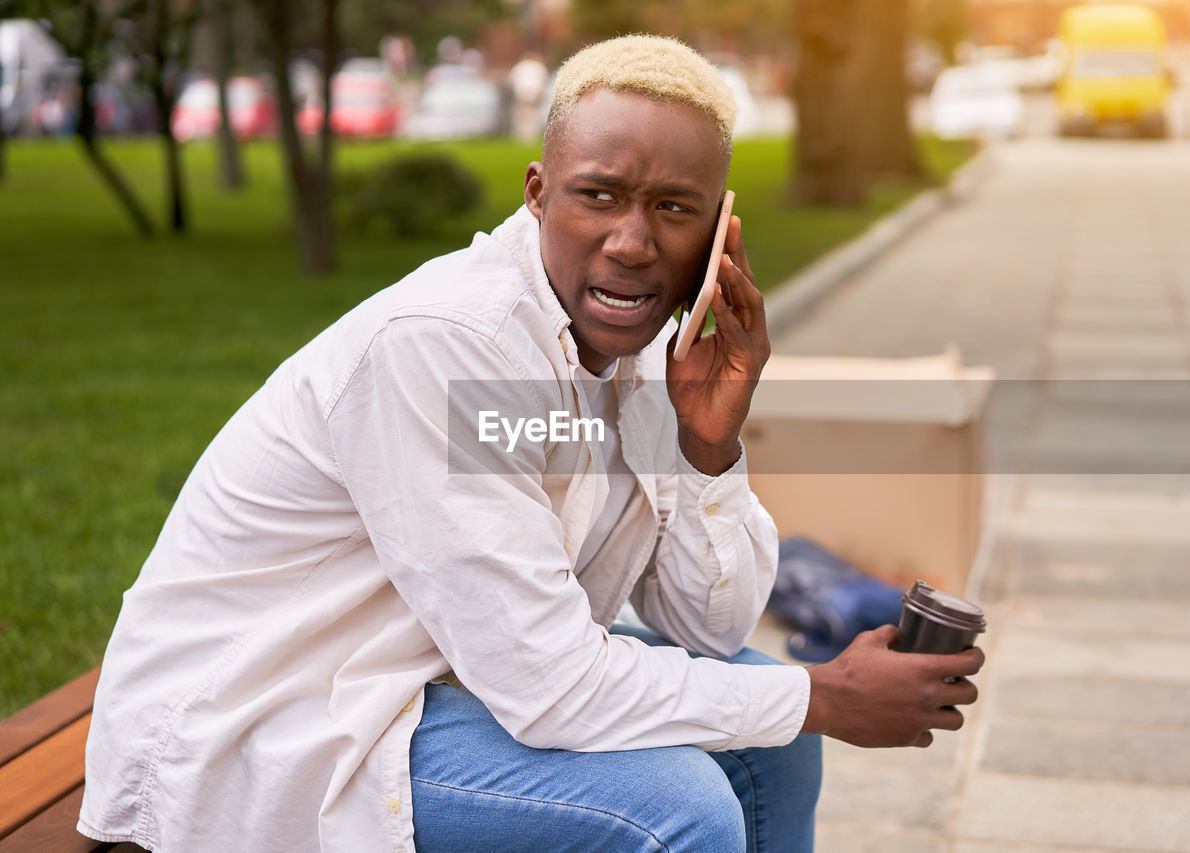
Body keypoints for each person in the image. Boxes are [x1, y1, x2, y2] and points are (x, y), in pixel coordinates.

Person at [78, 35, 983, 853]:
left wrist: (709, 444)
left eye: (675, 207)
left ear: (718, 234)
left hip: (434, 681)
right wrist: (825, 695)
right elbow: (554, 687)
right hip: (276, 716)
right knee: (679, 805)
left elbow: (710, 627)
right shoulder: (448, 346)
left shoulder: (637, 361)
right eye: (599, 195)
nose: (632, 242)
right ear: (539, 192)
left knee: (772, 751)